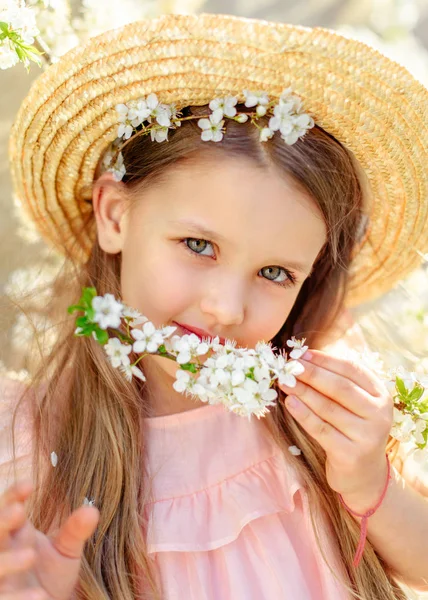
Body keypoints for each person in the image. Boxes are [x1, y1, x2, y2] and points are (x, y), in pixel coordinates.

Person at [1, 11, 428, 600]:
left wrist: (368, 482)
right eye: (198, 246)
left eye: (275, 273)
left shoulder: (320, 414)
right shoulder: (25, 449)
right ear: (115, 215)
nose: (226, 308)